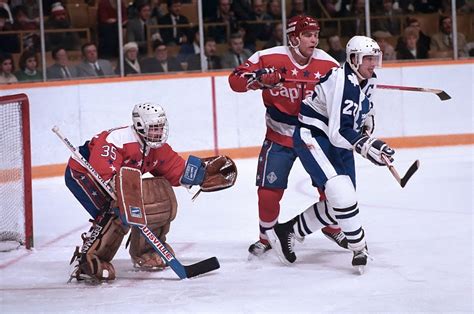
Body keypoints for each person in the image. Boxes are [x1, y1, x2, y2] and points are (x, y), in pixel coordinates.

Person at [66, 102, 235, 282]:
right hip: (84, 174)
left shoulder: (156, 147)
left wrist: (201, 175)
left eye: (161, 127)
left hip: (119, 180)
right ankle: (88, 260)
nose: (159, 132)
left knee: (158, 198)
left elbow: (175, 169)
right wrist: (125, 199)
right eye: (154, 128)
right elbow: (104, 170)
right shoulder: (117, 140)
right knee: (114, 210)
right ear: (140, 126)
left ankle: (145, 251)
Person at [266, 36, 395, 272]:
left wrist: (366, 128)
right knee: (342, 195)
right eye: (367, 58)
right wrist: (368, 146)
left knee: (342, 202)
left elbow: (366, 111)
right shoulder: (342, 82)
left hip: (340, 141)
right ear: (354, 59)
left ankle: (288, 231)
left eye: (375, 58)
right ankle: (359, 247)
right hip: (315, 137)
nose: (373, 64)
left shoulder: (369, 79)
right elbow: (338, 132)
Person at [228, 15, 346, 258]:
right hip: (279, 135)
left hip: (313, 137)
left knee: (330, 186)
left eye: (316, 34)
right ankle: (266, 236)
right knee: (268, 191)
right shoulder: (268, 57)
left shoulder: (328, 65)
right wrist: (258, 79)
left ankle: (332, 226)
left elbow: (343, 97)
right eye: (308, 35)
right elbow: (235, 80)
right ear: (294, 38)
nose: (314, 40)